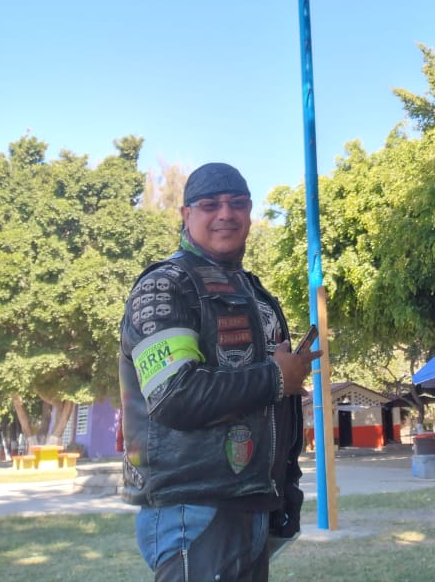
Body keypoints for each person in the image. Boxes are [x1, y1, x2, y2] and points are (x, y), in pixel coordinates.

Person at [119, 162, 319, 582]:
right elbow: (174, 394)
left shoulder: (253, 292)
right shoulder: (164, 286)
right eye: (209, 205)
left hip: (250, 502)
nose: (225, 213)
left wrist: (285, 490)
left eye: (238, 203)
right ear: (185, 215)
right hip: (192, 505)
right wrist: (276, 377)